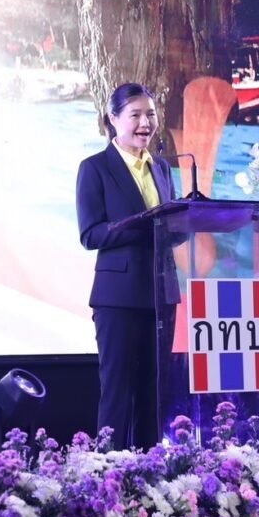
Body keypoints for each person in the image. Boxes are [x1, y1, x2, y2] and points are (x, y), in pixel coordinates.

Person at [75, 82, 177, 449]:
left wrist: (183, 222)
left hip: (161, 295)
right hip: (118, 298)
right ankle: (109, 470)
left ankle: (151, 468)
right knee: (117, 393)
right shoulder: (95, 168)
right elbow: (90, 234)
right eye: (135, 115)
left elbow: (171, 228)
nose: (145, 123)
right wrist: (141, 224)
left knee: (155, 393)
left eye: (150, 114)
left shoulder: (161, 168)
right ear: (113, 119)